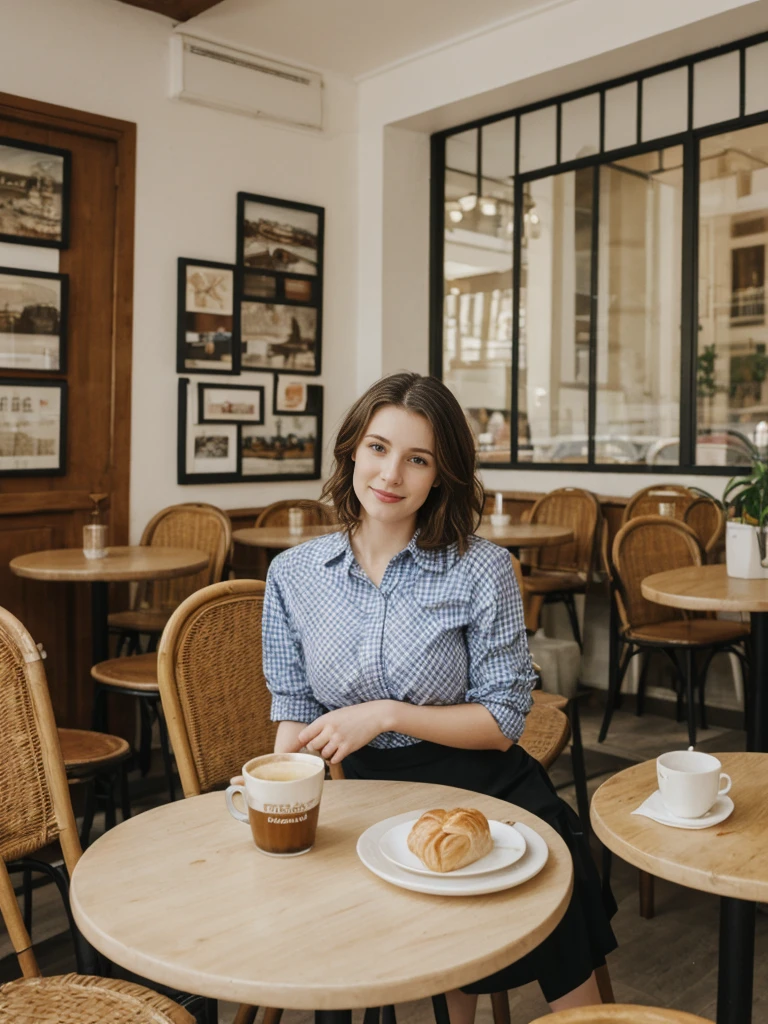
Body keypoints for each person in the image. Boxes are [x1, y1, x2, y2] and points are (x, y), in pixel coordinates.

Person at [262, 372, 617, 1020]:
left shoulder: (481, 568)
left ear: (441, 474)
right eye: (377, 447)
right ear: (350, 452)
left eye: (417, 458)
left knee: (562, 958)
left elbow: (505, 720)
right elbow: (292, 713)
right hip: (359, 797)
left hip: (484, 789)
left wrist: (387, 714)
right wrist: (275, 799)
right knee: (335, 940)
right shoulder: (293, 576)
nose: (390, 473)